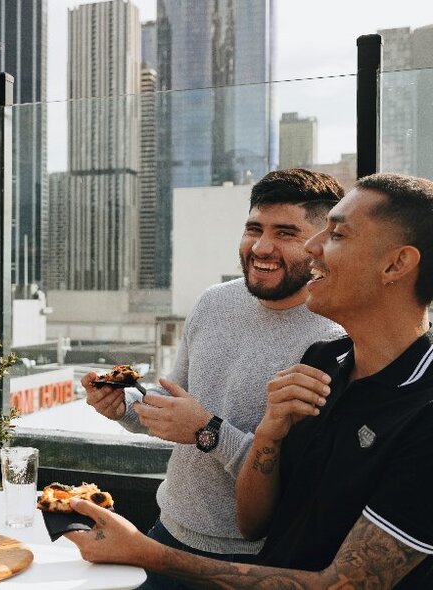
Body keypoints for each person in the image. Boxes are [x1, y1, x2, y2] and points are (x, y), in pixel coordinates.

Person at [66, 173, 433, 588]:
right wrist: (126, 405)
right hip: (171, 531)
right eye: (254, 229)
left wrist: (210, 432)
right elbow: (267, 510)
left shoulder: (339, 346)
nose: (262, 247)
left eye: (334, 235)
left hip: (243, 566)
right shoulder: (327, 360)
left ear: (397, 263)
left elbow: (341, 579)